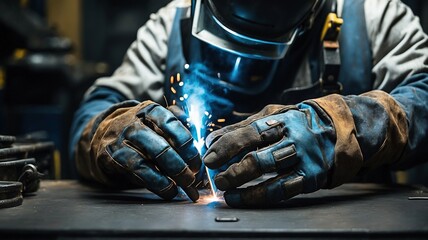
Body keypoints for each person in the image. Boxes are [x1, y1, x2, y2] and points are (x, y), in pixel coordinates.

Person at [70, 0, 428, 207]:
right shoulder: (171, 24)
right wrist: (109, 130)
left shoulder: (373, 16)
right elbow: (94, 113)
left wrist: (346, 127)